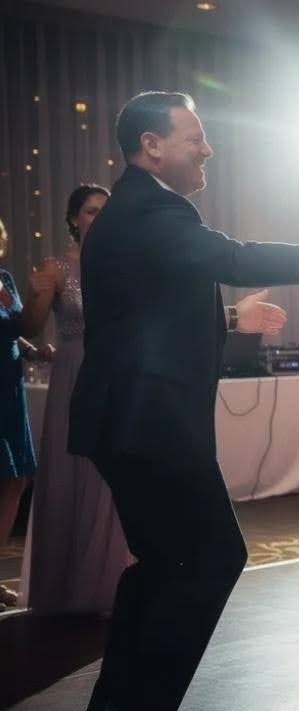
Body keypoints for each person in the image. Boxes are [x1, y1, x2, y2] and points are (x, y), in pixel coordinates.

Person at [69, 91, 299, 711]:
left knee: (160, 569)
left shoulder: (138, 211)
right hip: (151, 424)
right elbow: (232, 258)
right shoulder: (149, 209)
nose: (207, 148)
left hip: (133, 420)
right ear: (151, 147)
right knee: (211, 558)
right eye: (194, 137)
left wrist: (230, 322)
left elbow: (149, 314)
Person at [19, 184, 132, 616]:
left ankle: (108, 584)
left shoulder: (124, 266)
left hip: (116, 375)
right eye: (90, 211)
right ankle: (67, 589)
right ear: (73, 219)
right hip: (73, 375)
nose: (98, 218)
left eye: (105, 211)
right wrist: (34, 295)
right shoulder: (57, 267)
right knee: (72, 472)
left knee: (111, 478)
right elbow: (28, 326)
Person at [0, 215, 47, 610]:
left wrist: (34, 297)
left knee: (16, 479)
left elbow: (18, 329)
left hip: (10, 390)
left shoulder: (5, 280)